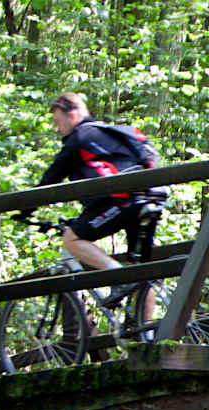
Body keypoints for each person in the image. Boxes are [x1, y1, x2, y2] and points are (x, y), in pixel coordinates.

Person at [37, 92, 162, 306]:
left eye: (57, 122)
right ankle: (146, 333)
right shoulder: (113, 133)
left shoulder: (81, 137)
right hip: (152, 197)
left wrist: (25, 208)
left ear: (73, 115)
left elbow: (50, 179)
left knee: (71, 239)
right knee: (138, 270)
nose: (57, 129)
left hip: (123, 200)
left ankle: (119, 278)